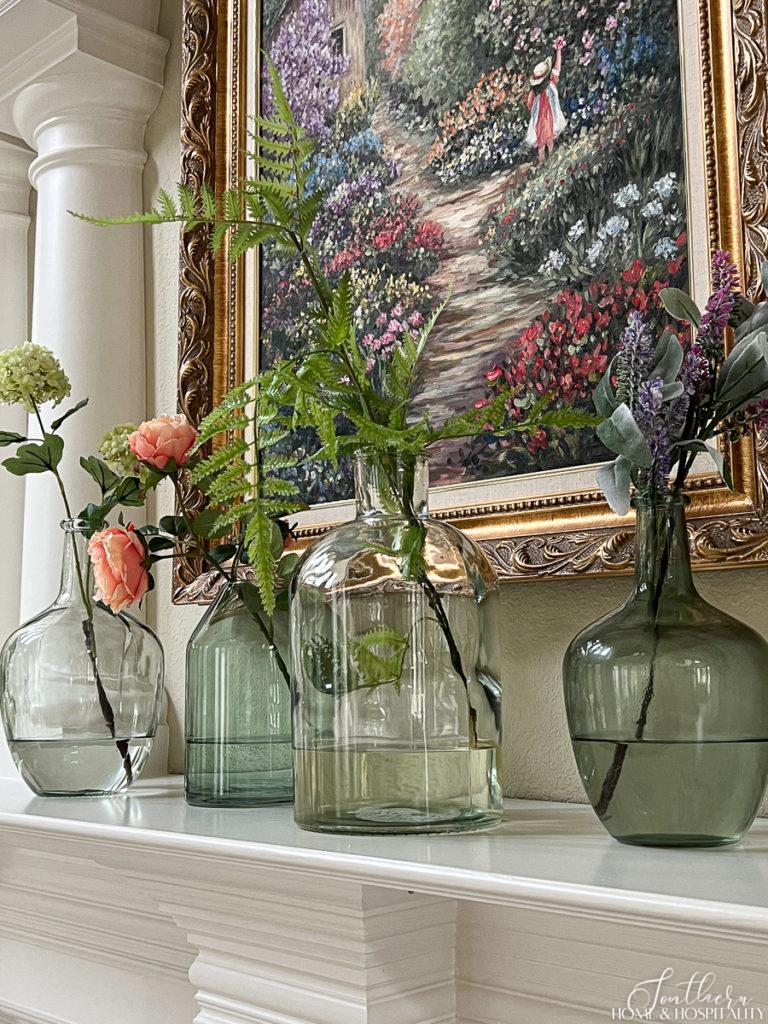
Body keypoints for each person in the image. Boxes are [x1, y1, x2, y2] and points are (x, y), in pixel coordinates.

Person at [525, 37, 567, 163]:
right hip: (543, 120)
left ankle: (548, 163)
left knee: (545, 143)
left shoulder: (547, 87)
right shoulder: (540, 90)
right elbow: (530, 105)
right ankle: (546, 164)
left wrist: (559, 51)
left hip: (546, 118)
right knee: (545, 143)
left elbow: (557, 69)